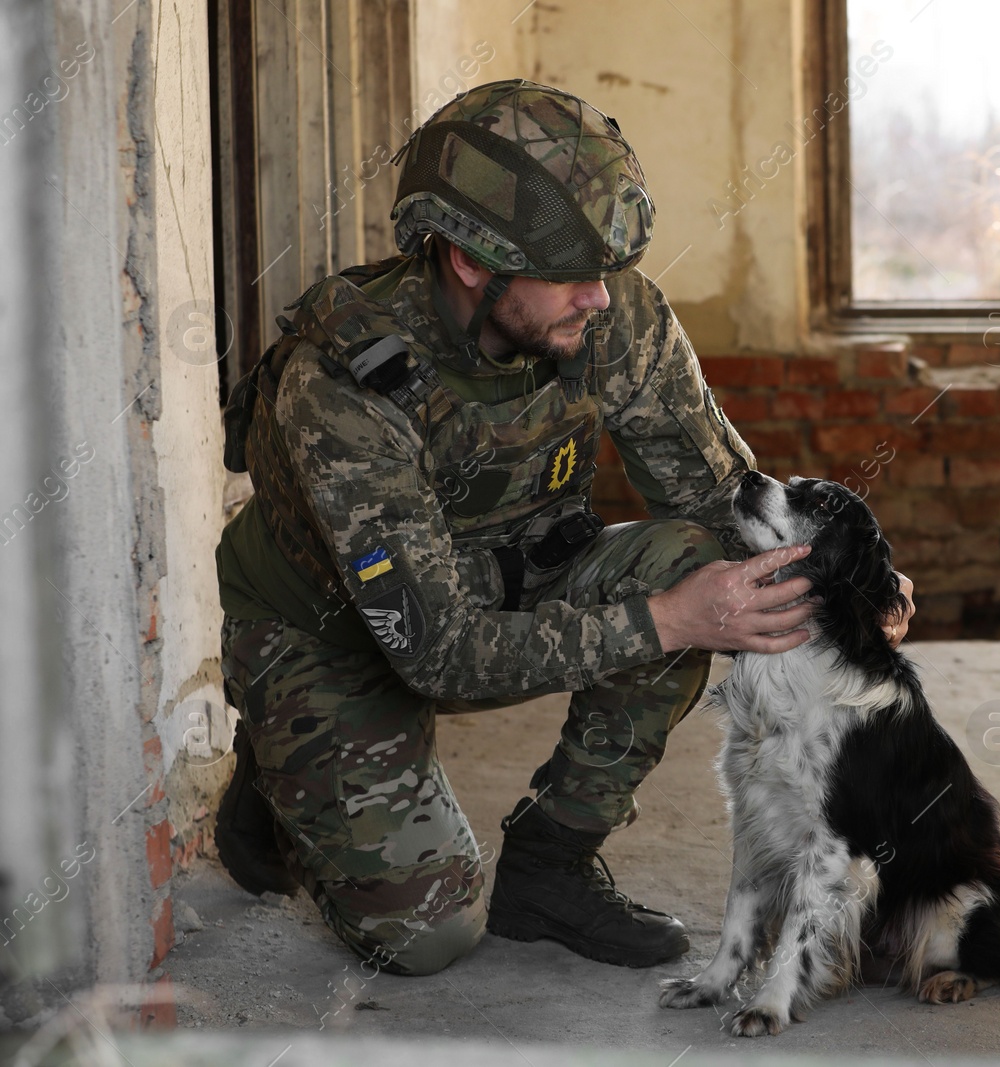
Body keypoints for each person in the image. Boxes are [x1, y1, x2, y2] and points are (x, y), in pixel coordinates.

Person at [212, 79, 914, 977]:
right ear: (471, 262)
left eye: (610, 266)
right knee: (427, 934)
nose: (601, 296)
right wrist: (669, 621)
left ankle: (551, 863)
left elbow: (719, 496)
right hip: (338, 635)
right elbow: (436, 652)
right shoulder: (344, 389)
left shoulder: (611, 317)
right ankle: (276, 762)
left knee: (710, 568)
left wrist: (850, 586)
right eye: (574, 272)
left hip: (508, 588)